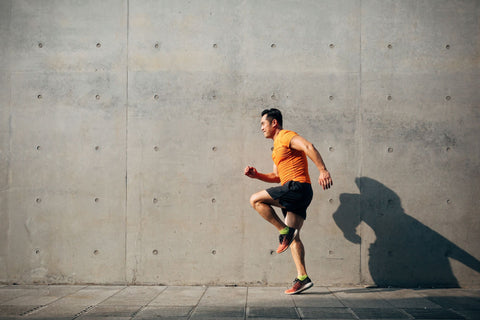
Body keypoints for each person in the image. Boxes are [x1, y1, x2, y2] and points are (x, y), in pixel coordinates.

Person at [244, 108, 333, 294]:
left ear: (274, 123)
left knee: (255, 200)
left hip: (297, 187)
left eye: (263, 124)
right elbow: (276, 177)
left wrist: (323, 170)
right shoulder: (276, 149)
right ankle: (303, 277)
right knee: (294, 238)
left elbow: (309, 147)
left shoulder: (286, 136)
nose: (261, 128)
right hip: (294, 191)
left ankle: (284, 231)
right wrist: (257, 175)